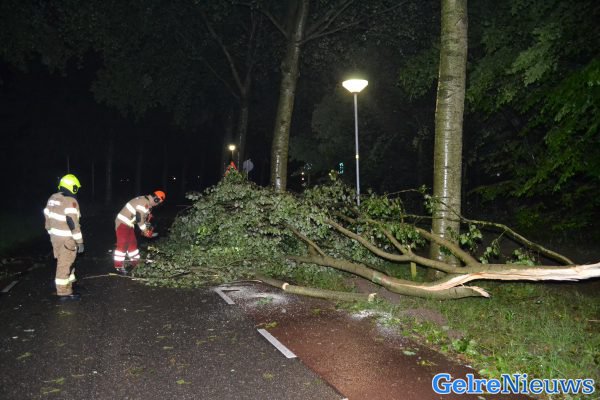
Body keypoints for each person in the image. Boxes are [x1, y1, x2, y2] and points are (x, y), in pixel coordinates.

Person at [43, 174, 84, 301]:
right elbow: (73, 223)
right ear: (73, 187)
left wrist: (50, 231)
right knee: (65, 264)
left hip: (55, 237)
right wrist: (80, 241)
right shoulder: (70, 201)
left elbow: (47, 216)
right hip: (67, 238)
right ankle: (63, 292)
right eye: (76, 187)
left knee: (67, 261)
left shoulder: (53, 198)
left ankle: (70, 284)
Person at [113, 190, 165, 275]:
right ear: (156, 199)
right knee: (123, 244)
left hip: (129, 224)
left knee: (132, 243)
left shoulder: (147, 204)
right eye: (158, 202)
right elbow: (139, 219)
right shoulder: (143, 202)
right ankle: (118, 266)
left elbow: (143, 219)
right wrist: (145, 230)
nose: (157, 205)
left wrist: (148, 227)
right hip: (122, 222)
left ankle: (136, 263)